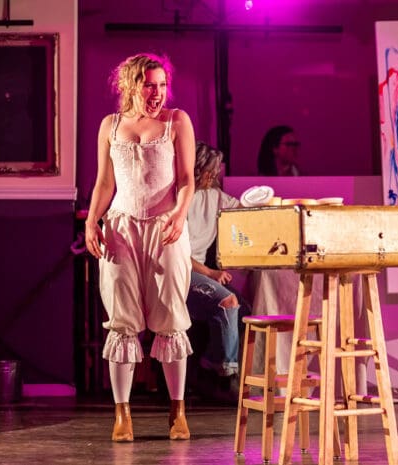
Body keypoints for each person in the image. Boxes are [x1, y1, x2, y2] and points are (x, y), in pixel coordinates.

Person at [84, 53, 196, 442]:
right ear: (131, 85)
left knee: (170, 315)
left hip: (165, 226)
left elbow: (187, 179)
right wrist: (91, 221)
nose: (157, 93)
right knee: (122, 318)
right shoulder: (110, 125)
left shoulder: (177, 121)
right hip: (121, 226)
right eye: (150, 85)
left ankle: (177, 411)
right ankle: (122, 414)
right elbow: (104, 183)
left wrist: (180, 214)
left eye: (162, 85)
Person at [186, 141, 250, 403]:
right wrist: (210, 274)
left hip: (200, 272)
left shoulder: (214, 196)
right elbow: (175, 254)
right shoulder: (180, 198)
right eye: (210, 170)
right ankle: (223, 375)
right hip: (179, 272)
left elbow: (243, 210)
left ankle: (210, 367)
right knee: (227, 302)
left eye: (216, 170)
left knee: (244, 311)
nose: (214, 175)